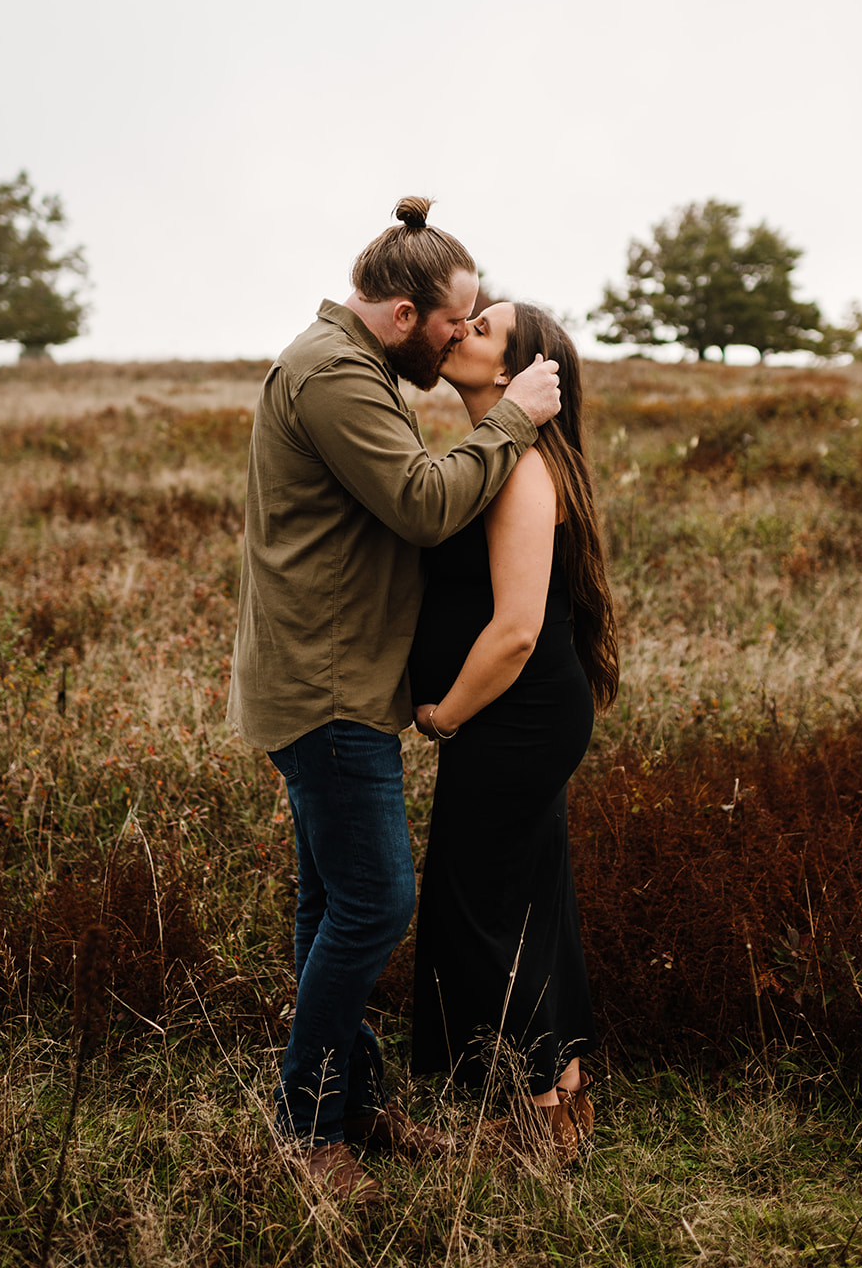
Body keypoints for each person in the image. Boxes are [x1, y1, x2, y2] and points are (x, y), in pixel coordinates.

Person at [228, 200, 562, 1206]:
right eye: (456, 324)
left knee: (332, 902)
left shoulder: (354, 367)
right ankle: (305, 1128)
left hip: (334, 679)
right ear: (406, 313)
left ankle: (354, 1102)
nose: (463, 339)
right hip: (328, 689)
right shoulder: (334, 373)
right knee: (376, 902)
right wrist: (512, 419)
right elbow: (420, 502)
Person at [409, 300, 619, 1162]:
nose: (457, 331)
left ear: (512, 372)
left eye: (480, 328)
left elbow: (516, 630)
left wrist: (444, 712)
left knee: (479, 910)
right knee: (531, 902)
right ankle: (565, 1103)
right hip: (522, 715)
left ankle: (536, 1117)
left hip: (514, 714)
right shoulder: (499, 455)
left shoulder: (523, 469)